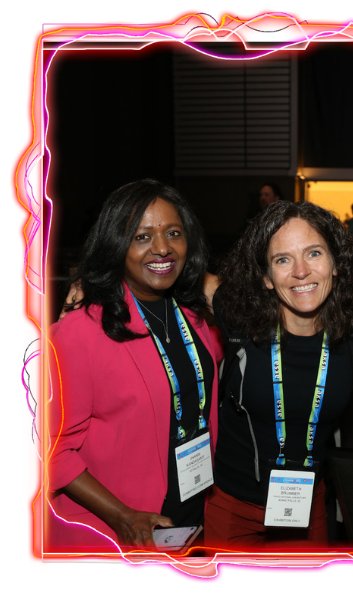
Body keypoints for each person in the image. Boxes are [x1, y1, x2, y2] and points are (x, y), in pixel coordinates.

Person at [48, 180, 222, 550]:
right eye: (142, 237)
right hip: (117, 528)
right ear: (116, 245)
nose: (162, 247)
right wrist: (121, 515)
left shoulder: (193, 315)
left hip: (188, 510)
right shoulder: (79, 332)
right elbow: (49, 449)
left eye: (173, 233)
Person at [204, 201, 353, 549]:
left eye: (314, 253)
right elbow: (178, 271)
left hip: (306, 506)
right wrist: (104, 286)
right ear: (267, 278)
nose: (301, 271)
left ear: (335, 264)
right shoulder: (241, 317)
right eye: (283, 259)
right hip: (230, 505)